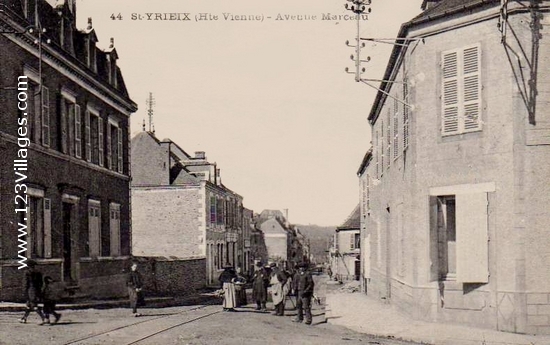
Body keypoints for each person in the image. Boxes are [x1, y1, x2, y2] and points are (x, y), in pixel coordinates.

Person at [20, 260, 46, 324]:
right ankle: (24, 318)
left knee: (34, 305)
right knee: (29, 305)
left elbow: (25, 283)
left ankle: (44, 318)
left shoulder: (27, 272)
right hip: (37, 290)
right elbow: (41, 283)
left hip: (30, 290)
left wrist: (24, 291)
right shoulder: (38, 272)